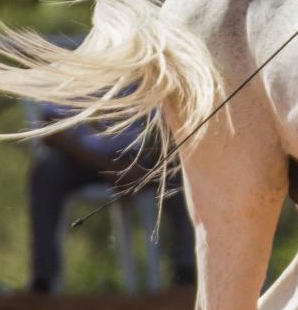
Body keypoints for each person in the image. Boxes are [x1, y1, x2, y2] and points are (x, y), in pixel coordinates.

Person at [28, 104, 196, 293]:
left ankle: (186, 273)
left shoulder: (146, 74)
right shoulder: (72, 76)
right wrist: (108, 168)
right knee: (47, 170)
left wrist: (145, 170)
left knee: (177, 169)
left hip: (137, 158)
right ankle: (43, 281)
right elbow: (49, 130)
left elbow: (169, 122)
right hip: (83, 159)